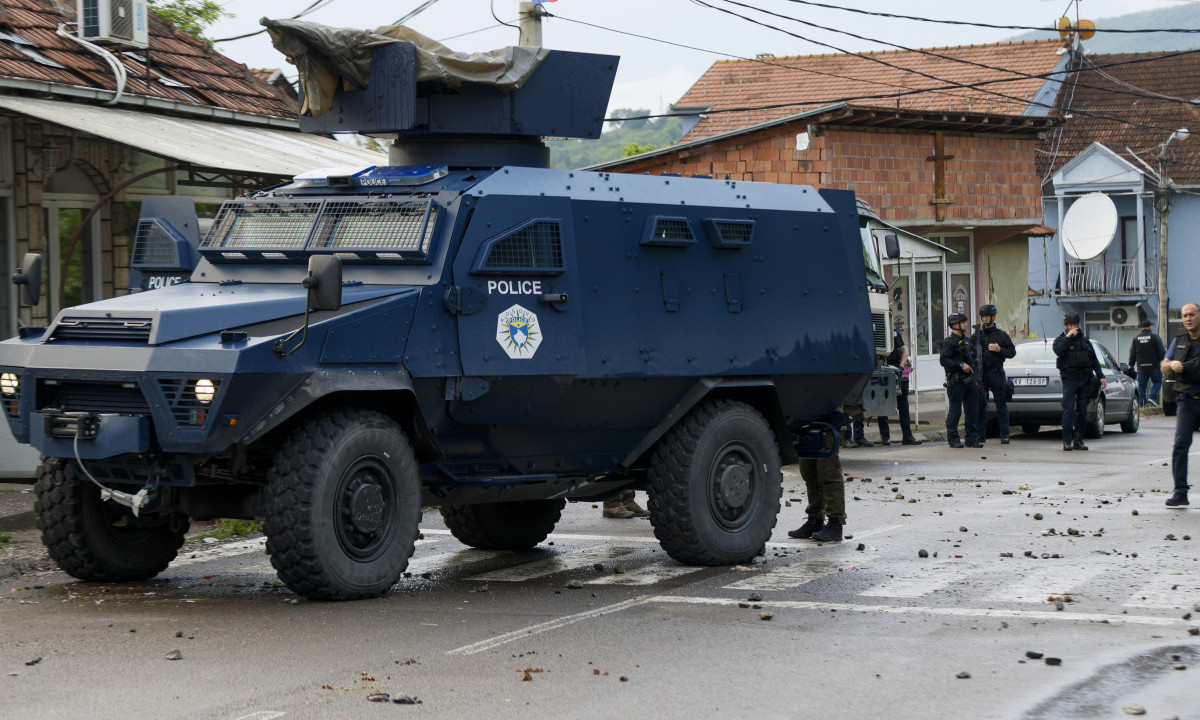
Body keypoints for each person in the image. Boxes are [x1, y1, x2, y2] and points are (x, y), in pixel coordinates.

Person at [1161, 302, 1200, 507]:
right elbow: (1163, 365)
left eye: (1192, 314)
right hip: (1186, 400)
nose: (1188, 318)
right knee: (1180, 445)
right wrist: (1171, 365)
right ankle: (1180, 493)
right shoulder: (1179, 338)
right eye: (1185, 315)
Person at [1052, 312, 1106, 451]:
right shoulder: (1060, 340)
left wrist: (1101, 376)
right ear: (1066, 326)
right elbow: (1058, 351)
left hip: (1085, 378)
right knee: (1069, 409)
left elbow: (1094, 360)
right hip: (1070, 379)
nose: (1074, 328)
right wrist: (1068, 337)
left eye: (1076, 325)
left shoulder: (1086, 341)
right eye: (1071, 325)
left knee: (1082, 411)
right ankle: (1067, 440)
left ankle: (1079, 439)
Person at [970, 304, 1016, 444]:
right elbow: (970, 354)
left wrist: (999, 349)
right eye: (983, 316)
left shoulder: (1001, 335)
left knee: (1001, 404)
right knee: (980, 405)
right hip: (981, 374)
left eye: (987, 316)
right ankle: (980, 435)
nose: (985, 319)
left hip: (996, 372)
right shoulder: (976, 336)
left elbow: (1012, 352)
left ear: (993, 317)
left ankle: (1005, 434)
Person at [787, 435, 845, 542]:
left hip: (829, 424)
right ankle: (815, 520)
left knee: (829, 471)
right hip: (808, 423)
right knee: (809, 471)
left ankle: (835, 522)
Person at [940, 312, 982, 448]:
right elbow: (944, 360)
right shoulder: (949, 342)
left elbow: (974, 358)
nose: (965, 324)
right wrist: (960, 365)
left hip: (970, 381)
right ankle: (953, 438)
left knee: (972, 411)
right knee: (955, 411)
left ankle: (971, 438)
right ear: (955, 324)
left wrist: (976, 376)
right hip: (956, 381)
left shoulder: (968, 341)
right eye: (963, 322)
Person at [879, 326, 922, 445]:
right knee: (882, 404)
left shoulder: (895, 334)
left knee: (903, 404)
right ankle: (885, 437)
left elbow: (904, 351)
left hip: (897, 370)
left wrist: (901, 367)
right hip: (882, 370)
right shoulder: (876, 333)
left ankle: (907, 436)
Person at [1129, 319, 1166, 407]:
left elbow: (1132, 353)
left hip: (1141, 367)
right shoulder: (1155, 337)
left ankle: (1142, 405)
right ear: (1150, 327)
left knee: (1142, 387)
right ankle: (1152, 398)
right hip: (1154, 367)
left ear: (1142, 328)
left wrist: (1131, 365)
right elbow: (1161, 352)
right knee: (1157, 382)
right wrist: (1162, 359)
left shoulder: (1135, 338)